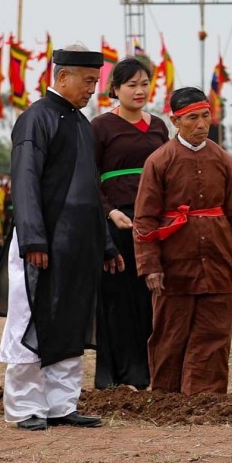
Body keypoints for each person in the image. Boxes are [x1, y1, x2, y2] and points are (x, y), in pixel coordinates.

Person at [0, 44, 122, 431]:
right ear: (62, 77)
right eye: (88, 80)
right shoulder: (35, 119)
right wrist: (33, 241)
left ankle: (61, 404)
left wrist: (105, 244)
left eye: (96, 81)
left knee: (72, 319)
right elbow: (24, 183)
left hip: (79, 244)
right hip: (41, 245)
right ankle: (25, 406)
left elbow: (91, 188)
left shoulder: (80, 123)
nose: (94, 88)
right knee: (31, 320)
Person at [134, 87, 232, 395]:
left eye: (205, 116)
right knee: (170, 331)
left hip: (217, 259)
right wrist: (151, 266)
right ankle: (166, 397)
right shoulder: (159, 161)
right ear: (175, 121)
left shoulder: (222, 159)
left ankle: (207, 398)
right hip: (175, 262)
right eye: (192, 118)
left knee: (214, 331)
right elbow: (145, 218)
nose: (202, 124)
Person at [91, 57, 169, 389]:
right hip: (117, 222)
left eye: (144, 83)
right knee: (117, 298)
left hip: (152, 223)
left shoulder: (159, 127)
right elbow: (89, 178)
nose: (139, 91)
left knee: (150, 297)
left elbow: (168, 174)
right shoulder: (99, 126)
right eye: (131, 85)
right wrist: (109, 211)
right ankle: (117, 374)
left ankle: (149, 371)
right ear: (115, 89)